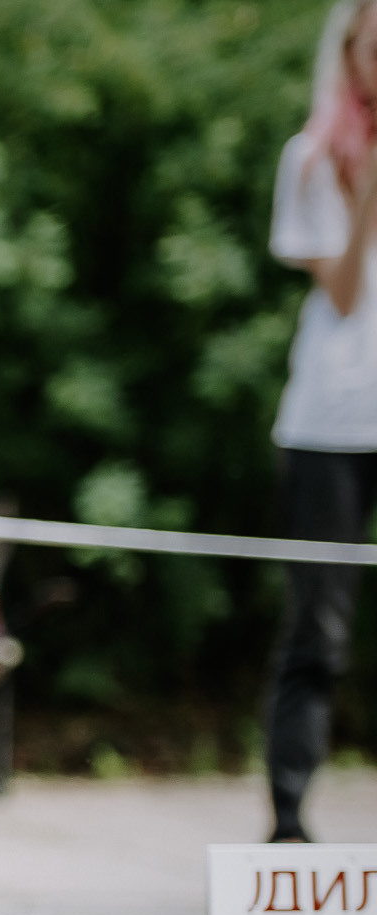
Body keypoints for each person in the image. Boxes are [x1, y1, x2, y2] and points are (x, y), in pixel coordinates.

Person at [267, 0, 377, 843]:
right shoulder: (309, 159)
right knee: (318, 630)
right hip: (330, 427)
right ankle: (290, 819)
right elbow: (341, 293)